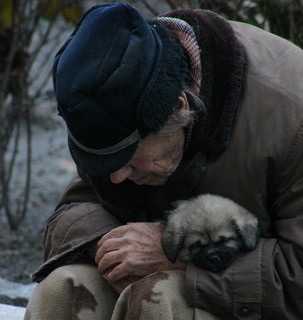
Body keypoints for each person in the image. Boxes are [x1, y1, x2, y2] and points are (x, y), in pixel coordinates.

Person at [24, 2, 303, 320]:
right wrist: (112, 247)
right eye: (104, 163)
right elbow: (75, 209)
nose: (115, 177)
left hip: (263, 302)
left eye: (129, 158)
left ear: (179, 110)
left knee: (159, 298)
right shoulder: (116, 77)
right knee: (65, 288)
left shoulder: (292, 117)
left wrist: (182, 253)